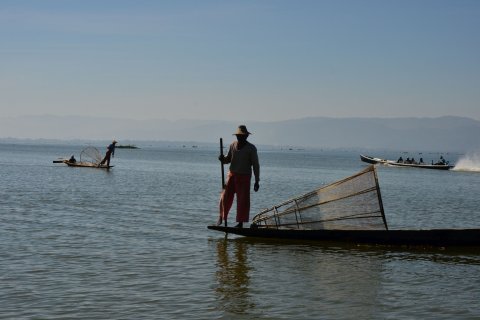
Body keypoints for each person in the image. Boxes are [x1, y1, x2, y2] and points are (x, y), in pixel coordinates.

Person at [217, 125, 260, 228]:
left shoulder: (251, 148)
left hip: (244, 177)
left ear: (246, 136)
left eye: (242, 136)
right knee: (225, 197)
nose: (239, 137)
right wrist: (222, 159)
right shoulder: (232, 145)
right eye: (238, 136)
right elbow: (227, 160)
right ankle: (221, 217)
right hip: (232, 175)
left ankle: (240, 223)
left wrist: (257, 181)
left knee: (242, 200)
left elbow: (255, 165)